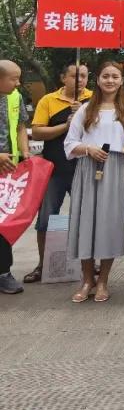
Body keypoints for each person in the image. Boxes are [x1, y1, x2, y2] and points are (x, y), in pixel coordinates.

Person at [63, 61, 124, 303]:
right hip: (87, 168)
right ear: (98, 80)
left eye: (115, 76)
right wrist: (88, 149)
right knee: (85, 223)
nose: (110, 80)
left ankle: (104, 280)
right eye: (105, 76)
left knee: (108, 225)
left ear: (121, 80)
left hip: (115, 170)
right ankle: (87, 280)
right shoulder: (86, 109)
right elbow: (69, 143)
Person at [23, 61, 91, 285]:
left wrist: (82, 114)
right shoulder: (48, 100)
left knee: (87, 218)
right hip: (54, 170)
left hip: (84, 168)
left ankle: (90, 265)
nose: (80, 80)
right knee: (45, 219)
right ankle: (43, 265)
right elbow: (39, 132)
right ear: (63, 78)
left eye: (84, 76)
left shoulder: (95, 99)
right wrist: (67, 124)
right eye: (75, 76)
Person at [0, 60, 30, 295]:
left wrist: (25, 152)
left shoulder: (15, 97)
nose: (18, 82)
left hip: (9, 171)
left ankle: (3, 272)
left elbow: (20, 127)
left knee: (5, 223)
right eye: (13, 78)